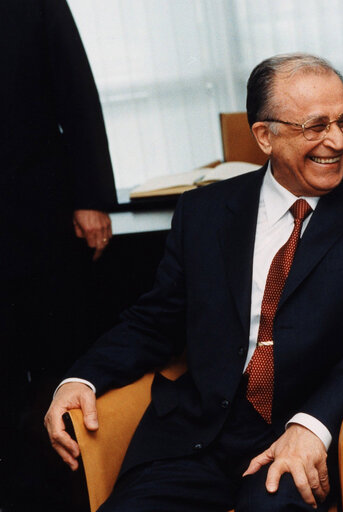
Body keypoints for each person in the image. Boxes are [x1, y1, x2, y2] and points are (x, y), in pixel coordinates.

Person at [44, 53, 343, 512]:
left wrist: (311, 425)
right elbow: (156, 320)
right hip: (193, 436)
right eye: (315, 125)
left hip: (295, 430)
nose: (339, 140)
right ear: (265, 136)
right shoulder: (203, 213)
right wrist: (83, 375)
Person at [1, 0, 116, 509]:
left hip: (40, 214)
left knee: (58, 359)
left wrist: (91, 198)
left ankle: (78, 490)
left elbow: (78, 98)